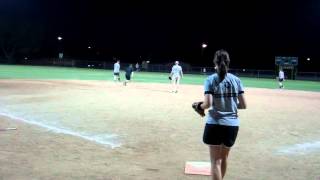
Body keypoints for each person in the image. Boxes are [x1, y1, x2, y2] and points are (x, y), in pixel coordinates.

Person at [192, 50, 247, 180]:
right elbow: (244, 105)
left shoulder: (210, 79)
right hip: (232, 125)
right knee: (224, 159)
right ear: (228, 63)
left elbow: (208, 103)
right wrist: (230, 106)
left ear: (215, 63)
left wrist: (198, 106)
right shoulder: (236, 80)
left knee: (215, 162)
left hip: (215, 124)